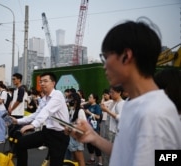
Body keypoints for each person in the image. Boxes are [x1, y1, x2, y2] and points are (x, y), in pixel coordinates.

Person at [68, 18, 181, 166]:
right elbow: (128, 154)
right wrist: (94, 137)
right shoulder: (132, 104)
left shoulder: (155, 113)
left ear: (126, 56)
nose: (104, 66)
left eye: (106, 57)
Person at [11, 72, 70, 166]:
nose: (42, 84)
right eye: (41, 81)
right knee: (21, 143)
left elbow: (46, 111)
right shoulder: (44, 99)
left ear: (53, 83)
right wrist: (18, 121)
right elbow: (36, 114)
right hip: (47, 132)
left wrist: (33, 125)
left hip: (59, 135)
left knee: (55, 163)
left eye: (45, 81)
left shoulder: (57, 95)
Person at [67, 92, 86, 166]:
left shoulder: (80, 111)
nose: (69, 100)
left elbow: (84, 125)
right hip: (72, 136)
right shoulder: (72, 110)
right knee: (75, 160)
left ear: (75, 100)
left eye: (71, 98)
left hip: (77, 138)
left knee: (80, 160)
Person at [84, 93, 103, 166]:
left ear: (94, 99)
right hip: (88, 128)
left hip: (95, 129)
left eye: (90, 97)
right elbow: (81, 105)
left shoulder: (97, 106)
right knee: (89, 145)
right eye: (89, 97)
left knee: (96, 145)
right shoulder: (88, 105)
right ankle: (92, 159)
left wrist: (89, 113)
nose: (89, 98)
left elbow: (98, 117)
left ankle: (100, 162)